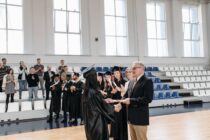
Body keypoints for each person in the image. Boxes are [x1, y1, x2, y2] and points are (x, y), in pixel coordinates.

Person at [82, 67, 122, 140]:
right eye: (95, 75)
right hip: (97, 123)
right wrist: (114, 108)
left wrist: (104, 100)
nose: (97, 77)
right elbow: (101, 106)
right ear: (92, 77)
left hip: (89, 123)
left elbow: (96, 104)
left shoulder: (86, 91)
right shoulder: (94, 92)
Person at [121, 62, 154, 140]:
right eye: (132, 68)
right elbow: (126, 96)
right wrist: (120, 102)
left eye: (134, 68)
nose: (132, 70)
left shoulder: (147, 81)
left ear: (142, 69)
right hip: (131, 117)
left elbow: (148, 98)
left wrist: (131, 100)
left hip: (140, 118)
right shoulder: (131, 81)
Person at [110, 66, 128, 140]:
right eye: (114, 73)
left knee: (122, 122)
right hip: (115, 105)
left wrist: (120, 90)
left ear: (120, 73)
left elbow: (126, 94)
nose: (116, 74)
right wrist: (112, 92)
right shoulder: (114, 83)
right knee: (116, 123)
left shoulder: (125, 82)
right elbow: (112, 95)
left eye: (117, 72)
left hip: (122, 105)